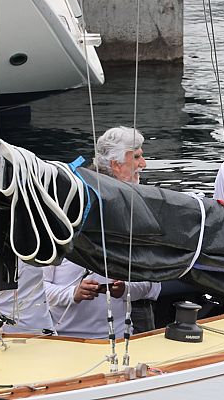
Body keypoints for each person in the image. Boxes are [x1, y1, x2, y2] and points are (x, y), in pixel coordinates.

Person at [43, 126, 161, 338]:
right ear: (116, 165)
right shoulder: (67, 213)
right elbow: (36, 289)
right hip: (64, 337)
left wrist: (125, 288)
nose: (143, 164)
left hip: (119, 333)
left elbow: (154, 283)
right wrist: (73, 293)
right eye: (136, 157)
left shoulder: (142, 213)